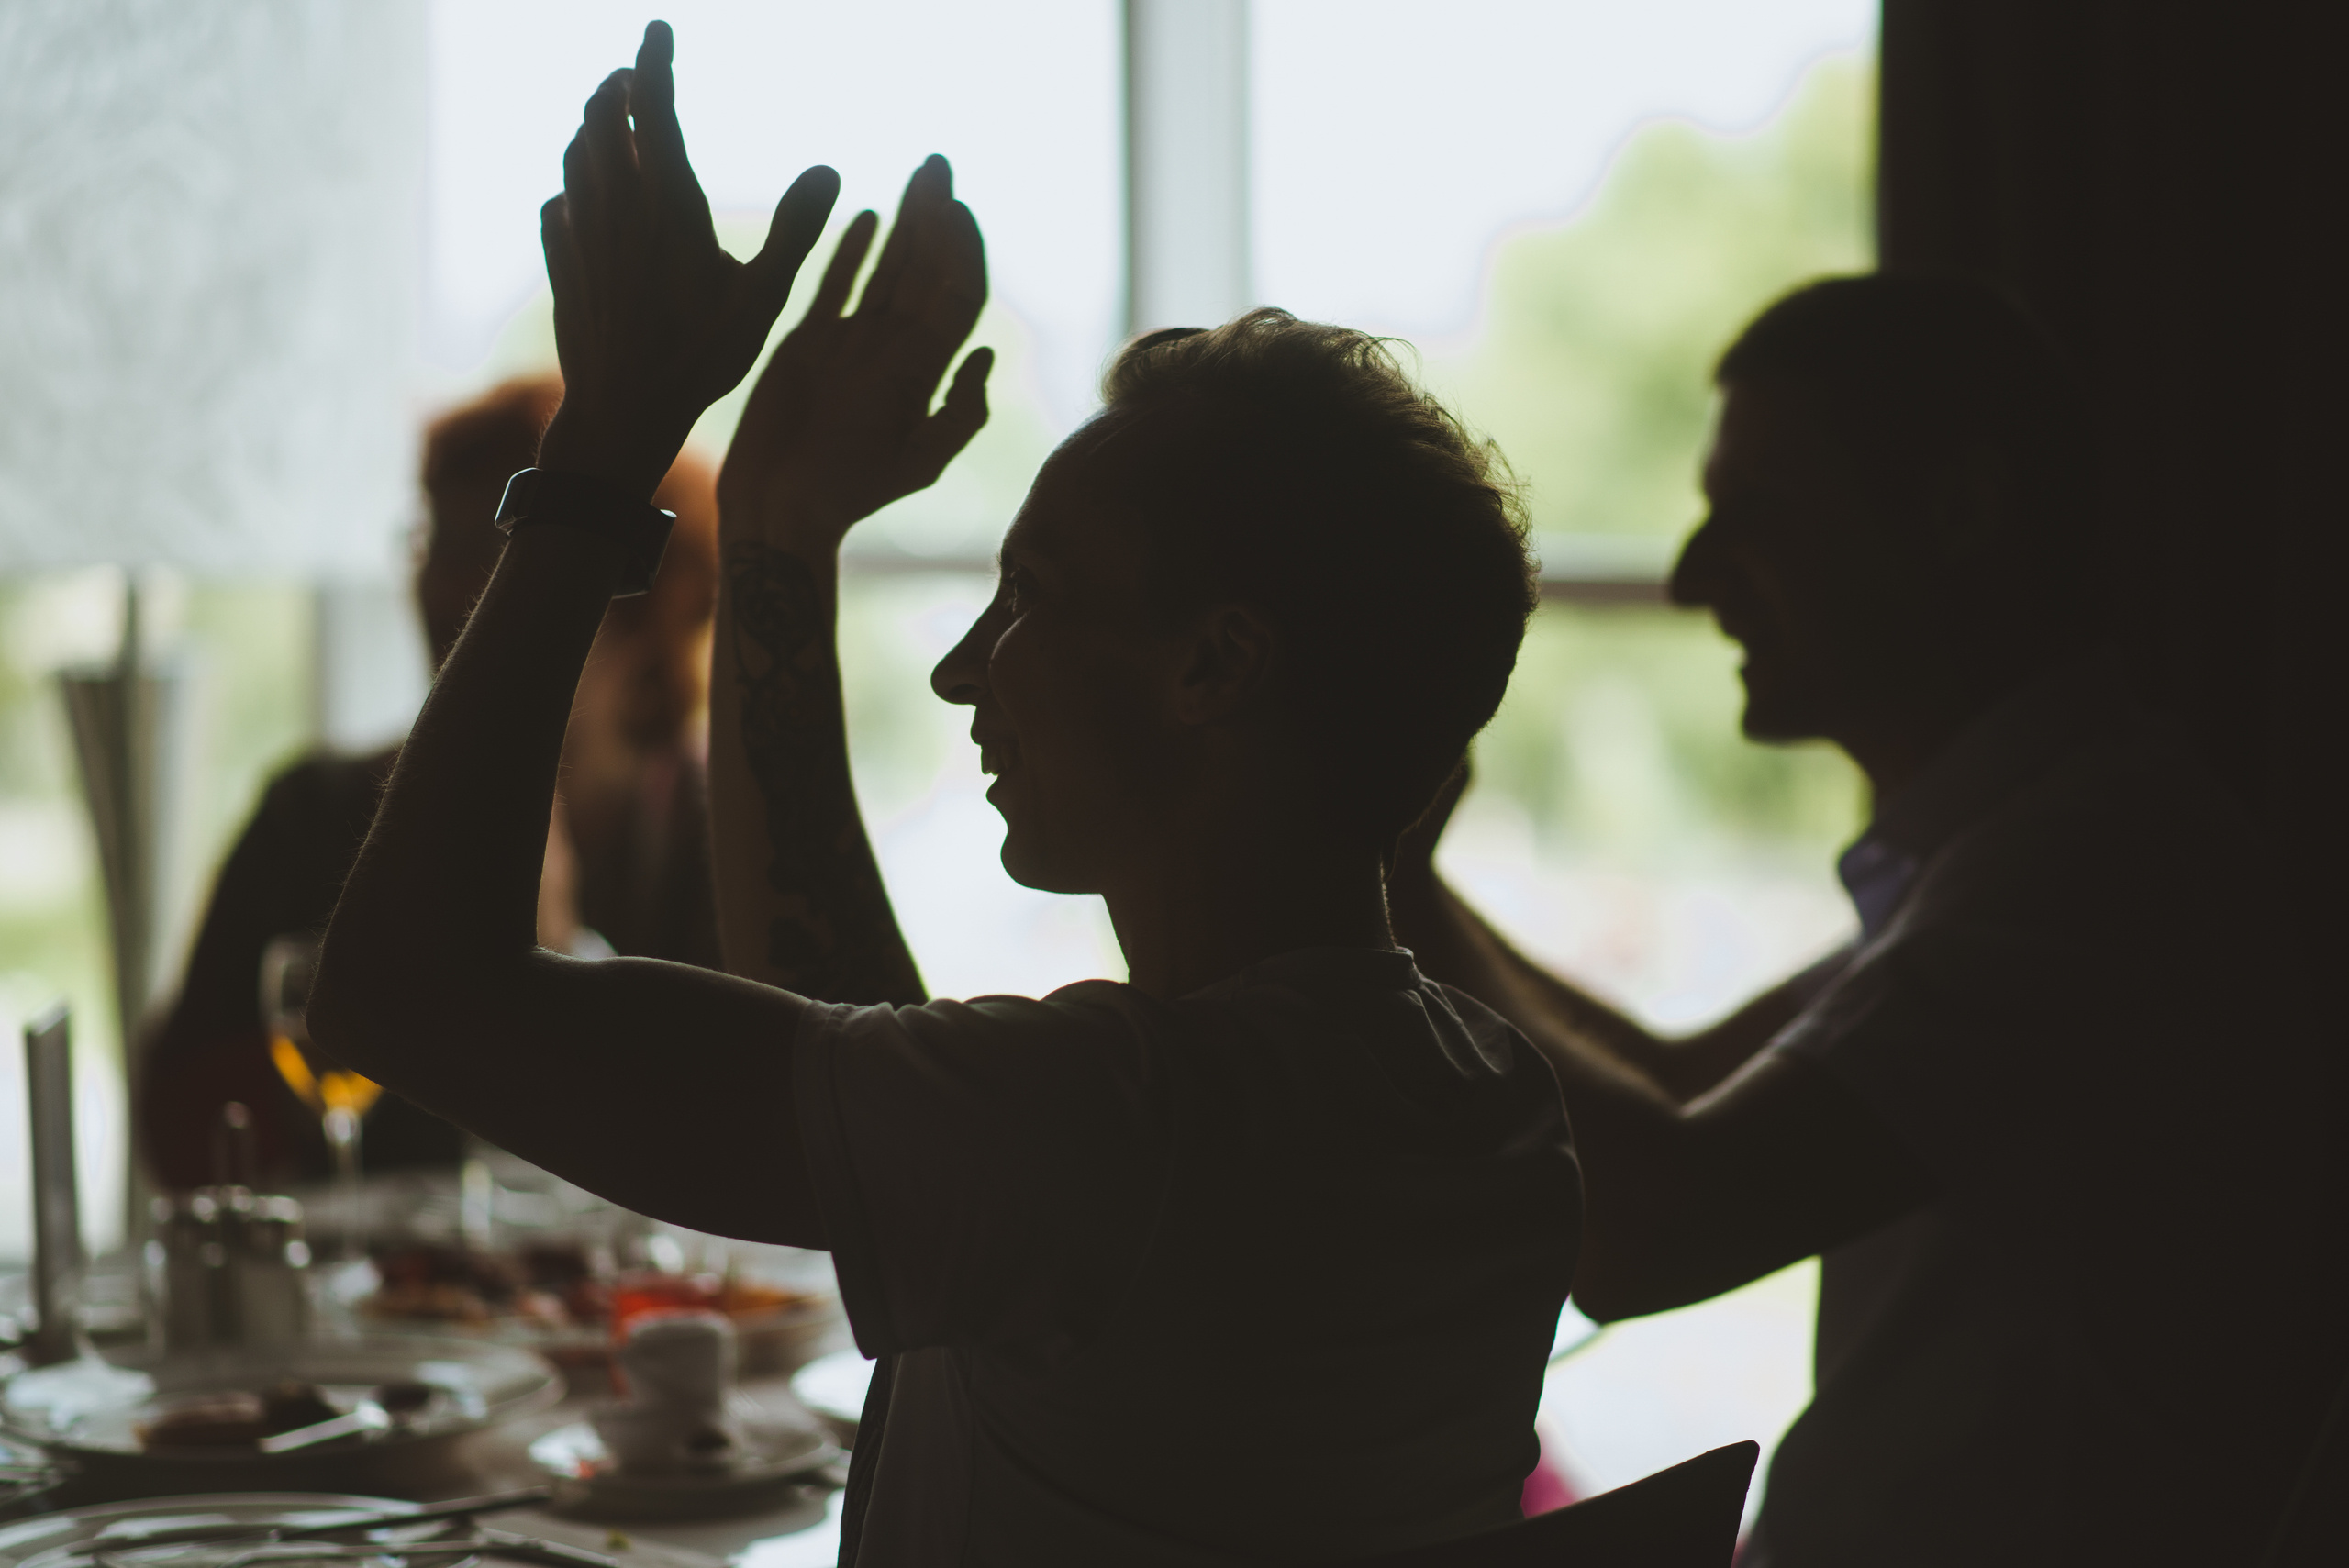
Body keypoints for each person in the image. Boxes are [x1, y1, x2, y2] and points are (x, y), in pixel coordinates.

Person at [309, 23, 1575, 1565]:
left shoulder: (1109, 1126)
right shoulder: (1486, 1104)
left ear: (1214, 665)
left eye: (1031, 594)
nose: (967, 669)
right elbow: (876, 1053)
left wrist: (610, 443)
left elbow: (399, 993)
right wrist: (774, 531)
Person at [1390, 274, 2343, 1564]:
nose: (1691, 574)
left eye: (1754, 516)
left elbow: (1645, 1225)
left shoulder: (2091, 873)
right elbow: (1677, 1085)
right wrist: (1405, 876)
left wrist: (1364, 864)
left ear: (1957, 513)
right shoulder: (2036, 848)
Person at [139, 375, 722, 1189]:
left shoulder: (720, 836)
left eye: (496, 555)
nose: (445, 587)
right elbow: (179, 1126)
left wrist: (555, 970)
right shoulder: (313, 815)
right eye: (435, 545)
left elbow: (749, 1142)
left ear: (641, 610)